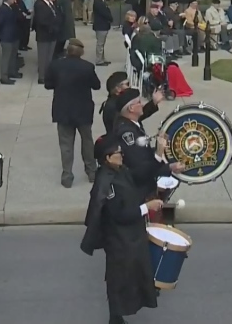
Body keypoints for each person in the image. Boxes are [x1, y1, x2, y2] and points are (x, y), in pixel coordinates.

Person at [80, 134, 162, 324]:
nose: (122, 155)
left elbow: (138, 177)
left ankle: (117, 316)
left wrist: (158, 156)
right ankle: (115, 318)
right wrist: (146, 208)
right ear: (107, 158)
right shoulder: (107, 183)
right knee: (119, 279)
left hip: (130, 236)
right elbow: (119, 214)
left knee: (131, 275)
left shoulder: (119, 170)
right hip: (119, 239)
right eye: (118, 153)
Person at [110, 88, 185, 212]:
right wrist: (159, 153)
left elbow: (144, 156)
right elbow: (141, 170)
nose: (142, 105)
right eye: (139, 102)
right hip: (139, 193)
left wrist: (169, 167)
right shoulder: (127, 133)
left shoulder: (130, 123)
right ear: (131, 109)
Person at [45, 38, 102, 187]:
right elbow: (96, 86)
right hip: (83, 110)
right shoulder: (87, 67)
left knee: (66, 145)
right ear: (81, 52)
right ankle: (92, 172)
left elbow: (48, 84)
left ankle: (67, 176)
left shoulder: (56, 65)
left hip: (63, 110)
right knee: (87, 142)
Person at [99, 72, 163, 136]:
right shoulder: (112, 106)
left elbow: (134, 114)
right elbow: (132, 116)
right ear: (118, 89)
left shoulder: (116, 101)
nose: (130, 86)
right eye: (127, 84)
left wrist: (154, 102)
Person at [33, 0, 58, 84]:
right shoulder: (40, 4)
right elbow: (41, 20)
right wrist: (51, 27)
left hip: (51, 34)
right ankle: (42, 77)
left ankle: (48, 74)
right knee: (43, 57)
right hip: (44, 35)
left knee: (49, 57)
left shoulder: (49, 3)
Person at [92, 0, 113, 66]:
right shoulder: (98, 3)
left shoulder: (102, 1)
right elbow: (104, 13)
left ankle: (102, 58)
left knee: (102, 43)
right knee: (100, 44)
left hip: (103, 25)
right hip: (100, 26)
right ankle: (99, 60)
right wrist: (110, 18)